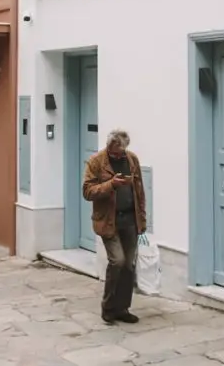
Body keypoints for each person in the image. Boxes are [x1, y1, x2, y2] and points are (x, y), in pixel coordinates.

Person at [82, 129, 147, 324]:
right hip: (108, 221)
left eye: (122, 152)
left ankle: (123, 308)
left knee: (129, 265)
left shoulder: (132, 159)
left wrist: (142, 218)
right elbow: (87, 191)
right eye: (115, 153)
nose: (119, 156)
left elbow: (139, 190)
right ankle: (108, 307)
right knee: (117, 261)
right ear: (109, 146)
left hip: (130, 220)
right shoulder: (96, 161)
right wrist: (111, 184)